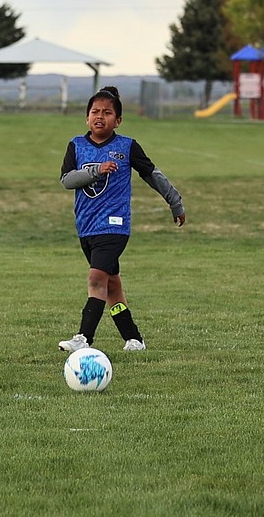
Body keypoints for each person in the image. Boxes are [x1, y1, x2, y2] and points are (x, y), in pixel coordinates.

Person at [57, 86, 185, 354]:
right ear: (87, 117)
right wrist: (96, 170)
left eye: (107, 112)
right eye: (94, 112)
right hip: (87, 226)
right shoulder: (76, 145)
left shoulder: (126, 146)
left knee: (96, 279)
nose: (99, 117)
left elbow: (153, 175)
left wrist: (175, 201)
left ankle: (83, 337)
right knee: (112, 284)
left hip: (115, 225)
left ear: (118, 120)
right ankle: (134, 338)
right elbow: (67, 180)